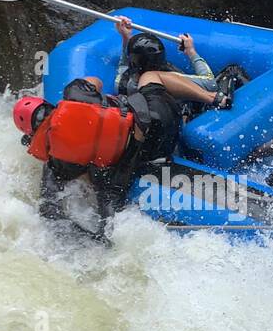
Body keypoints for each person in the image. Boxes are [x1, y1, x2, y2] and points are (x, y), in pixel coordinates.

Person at [14, 73, 184, 237]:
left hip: (149, 155)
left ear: (32, 135)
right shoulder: (74, 92)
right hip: (164, 119)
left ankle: (105, 235)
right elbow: (97, 81)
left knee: (102, 183)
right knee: (149, 76)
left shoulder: (57, 164)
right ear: (48, 105)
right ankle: (209, 96)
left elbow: (48, 209)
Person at [114, 17, 233, 116]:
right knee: (232, 71)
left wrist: (126, 37)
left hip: (154, 115)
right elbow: (210, 83)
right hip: (182, 114)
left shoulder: (124, 81)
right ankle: (219, 101)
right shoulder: (166, 79)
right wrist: (191, 52)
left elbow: (125, 63)